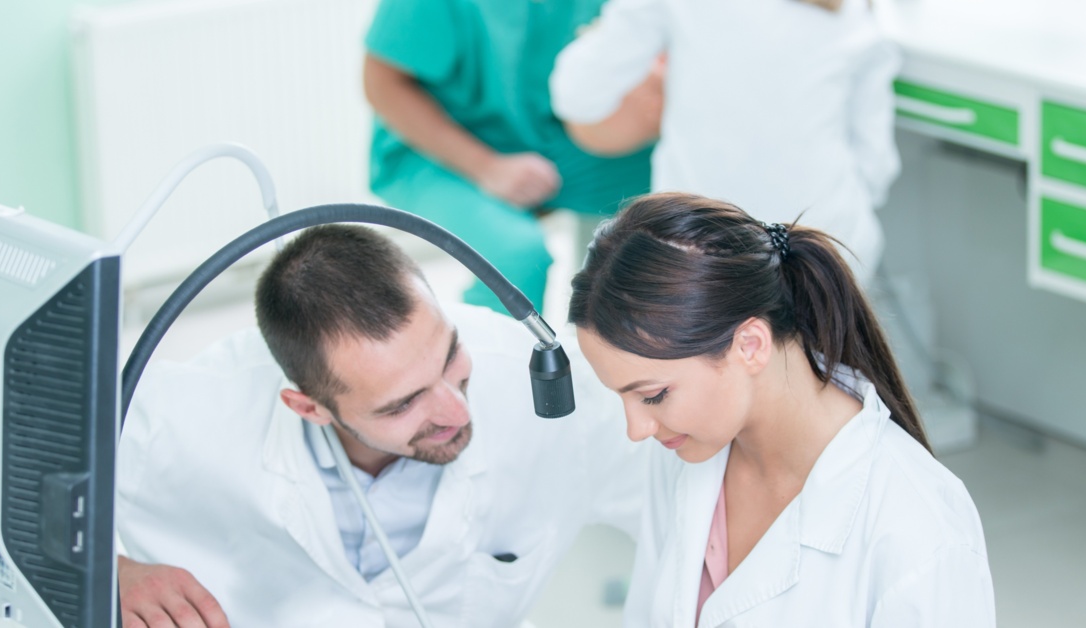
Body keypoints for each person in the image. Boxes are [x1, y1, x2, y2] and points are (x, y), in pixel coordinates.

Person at [114, 225, 646, 627]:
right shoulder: (176, 414)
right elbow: (30, 480)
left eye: (450, 359)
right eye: (401, 405)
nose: (457, 412)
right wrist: (110, 576)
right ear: (308, 407)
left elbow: (696, 488)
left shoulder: (541, 385)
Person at [568, 193, 994, 626]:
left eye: (654, 395)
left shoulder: (916, 525)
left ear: (750, 345)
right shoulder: (686, 454)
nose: (637, 429)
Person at [549, 0, 900, 284]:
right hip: (829, 250)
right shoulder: (853, 10)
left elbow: (577, 96)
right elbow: (876, 167)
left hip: (700, 251)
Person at [362, 0, 655, 314]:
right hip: (438, 149)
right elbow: (382, 82)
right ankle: (490, 355)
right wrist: (486, 167)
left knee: (659, 227)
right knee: (517, 258)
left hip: (558, 135)